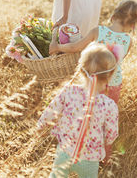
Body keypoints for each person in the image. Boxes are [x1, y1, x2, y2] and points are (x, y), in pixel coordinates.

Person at [37, 43, 119, 178]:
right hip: (89, 159)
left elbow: (50, 111)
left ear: (81, 70)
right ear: (110, 76)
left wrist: (41, 125)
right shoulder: (109, 105)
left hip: (64, 152)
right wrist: (106, 142)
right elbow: (111, 133)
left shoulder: (69, 91)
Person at [50, 0, 137, 105]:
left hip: (95, 80)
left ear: (115, 14)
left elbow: (76, 47)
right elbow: (118, 60)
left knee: (88, 109)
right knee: (106, 112)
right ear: (133, 24)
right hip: (114, 82)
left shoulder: (98, 31)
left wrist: (57, 47)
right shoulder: (128, 40)